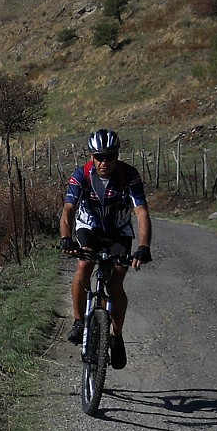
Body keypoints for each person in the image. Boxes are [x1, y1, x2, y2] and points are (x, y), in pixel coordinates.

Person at [59, 128, 152, 369]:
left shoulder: (128, 175)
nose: (104, 162)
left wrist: (144, 246)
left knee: (115, 283)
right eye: (99, 156)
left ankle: (117, 337)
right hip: (89, 226)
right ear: (92, 156)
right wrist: (66, 237)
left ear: (117, 155)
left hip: (118, 231)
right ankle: (79, 321)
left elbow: (141, 212)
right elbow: (68, 209)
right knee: (85, 263)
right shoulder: (82, 174)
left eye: (109, 156)